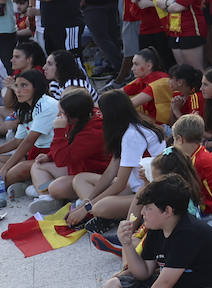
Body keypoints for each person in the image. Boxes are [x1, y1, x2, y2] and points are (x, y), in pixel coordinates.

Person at [63, 89, 166, 229]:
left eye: (101, 112)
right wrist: (86, 203)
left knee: (100, 207)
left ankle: (106, 215)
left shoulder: (132, 135)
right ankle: (98, 214)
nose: (99, 115)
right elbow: (110, 172)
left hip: (151, 193)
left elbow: (120, 184)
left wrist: (87, 208)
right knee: (80, 179)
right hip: (135, 187)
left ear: (111, 114)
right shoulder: (127, 128)